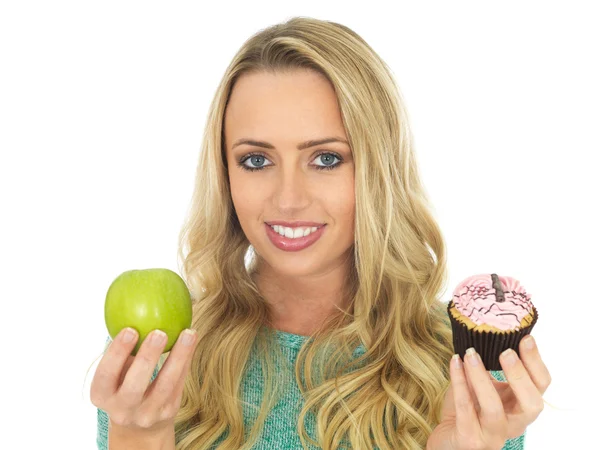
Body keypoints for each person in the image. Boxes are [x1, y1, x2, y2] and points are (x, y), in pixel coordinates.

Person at [92, 16, 551, 450]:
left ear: (377, 167)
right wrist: (138, 437)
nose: (288, 199)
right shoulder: (161, 363)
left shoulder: (461, 370)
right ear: (225, 173)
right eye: (256, 160)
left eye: (326, 158)